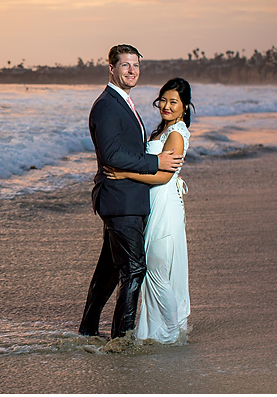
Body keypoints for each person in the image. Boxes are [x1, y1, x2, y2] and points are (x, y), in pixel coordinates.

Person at [78, 45, 183, 339]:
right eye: (125, 65)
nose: (132, 70)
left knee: (110, 270)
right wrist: (156, 161)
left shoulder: (123, 102)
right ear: (111, 69)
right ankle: (122, 339)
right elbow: (112, 153)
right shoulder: (107, 104)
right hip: (119, 198)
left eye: (135, 65)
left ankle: (87, 329)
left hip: (126, 198)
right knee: (135, 270)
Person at [104, 77, 192, 344]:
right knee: (155, 271)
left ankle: (172, 333)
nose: (166, 106)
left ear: (184, 107)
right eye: (162, 100)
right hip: (153, 203)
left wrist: (124, 174)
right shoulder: (160, 131)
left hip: (165, 206)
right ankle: (164, 331)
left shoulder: (176, 133)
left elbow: (164, 177)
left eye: (173, 102)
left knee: (155, 271)